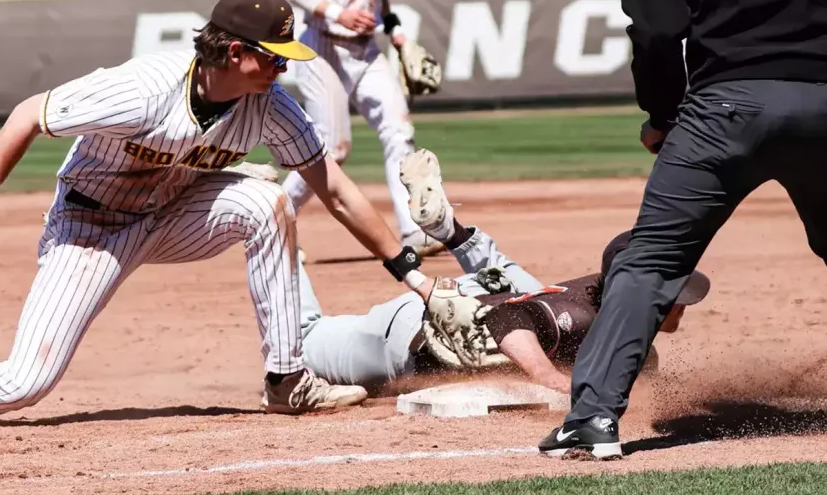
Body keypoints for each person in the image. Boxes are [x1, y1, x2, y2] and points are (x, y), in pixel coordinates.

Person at [0, 0, 482, 431]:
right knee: (28, 379)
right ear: (237, 51)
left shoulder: (269, 105)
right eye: (272, 58)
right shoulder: (141, 90)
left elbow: (330, 185)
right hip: (90, 226)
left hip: (171, 215)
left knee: (268, 203)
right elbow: (28, 115)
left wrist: (413, 275)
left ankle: (288, 380)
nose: (282, 69)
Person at [539, 0, 827, 461]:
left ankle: (593, 419)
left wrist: (663, 115)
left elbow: (654, 30)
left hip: (724, 110)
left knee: (650, 262)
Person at [240, 150, 710, 393]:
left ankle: (452, 230)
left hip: (483, 294)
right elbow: (509, 320)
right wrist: (548, 379)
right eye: (671, 295)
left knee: (519, 284)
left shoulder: (606, 300)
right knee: (302, 340)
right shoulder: (580, 316)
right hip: (413, 333)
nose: (680, 306)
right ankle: (275, 219)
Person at [279, 0, 442, 257]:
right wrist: (340, 14)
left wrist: (397, 33)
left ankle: (415, 230)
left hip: (366, 49)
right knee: (331, 148)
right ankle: (275, 222)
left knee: (399, 128)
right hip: (321, 44)